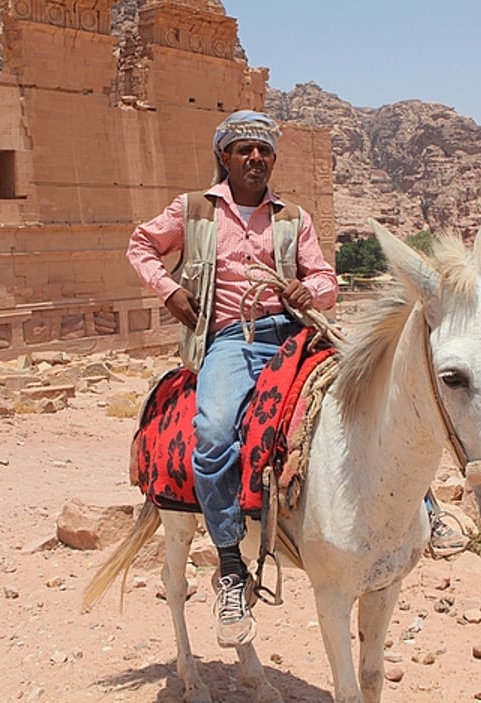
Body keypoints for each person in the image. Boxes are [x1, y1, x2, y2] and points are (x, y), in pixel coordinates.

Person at [127, 110, 337, 647]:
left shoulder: (294, 218)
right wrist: (169, 292)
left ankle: (424, 511)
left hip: (291, 332)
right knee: (216, 434)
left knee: (373, 391)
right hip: (230, 339)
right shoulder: (195, 210)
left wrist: (309, 293)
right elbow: (141, 246)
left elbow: (324, 276)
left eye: (264, 151)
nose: (255, 158)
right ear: (225, 156)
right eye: (244, 149)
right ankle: (230, 566)